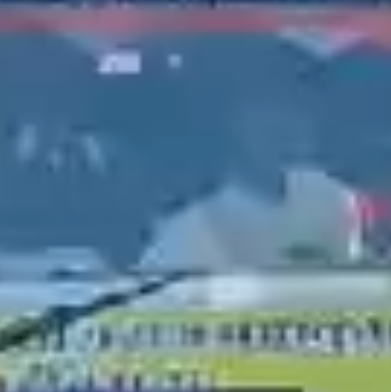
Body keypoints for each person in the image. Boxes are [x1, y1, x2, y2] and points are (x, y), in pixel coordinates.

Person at [142, 99, 366, 270]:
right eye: (262, 116)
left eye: (291, 108)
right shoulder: (179, 239)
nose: (285, 124)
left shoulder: (327, 194)